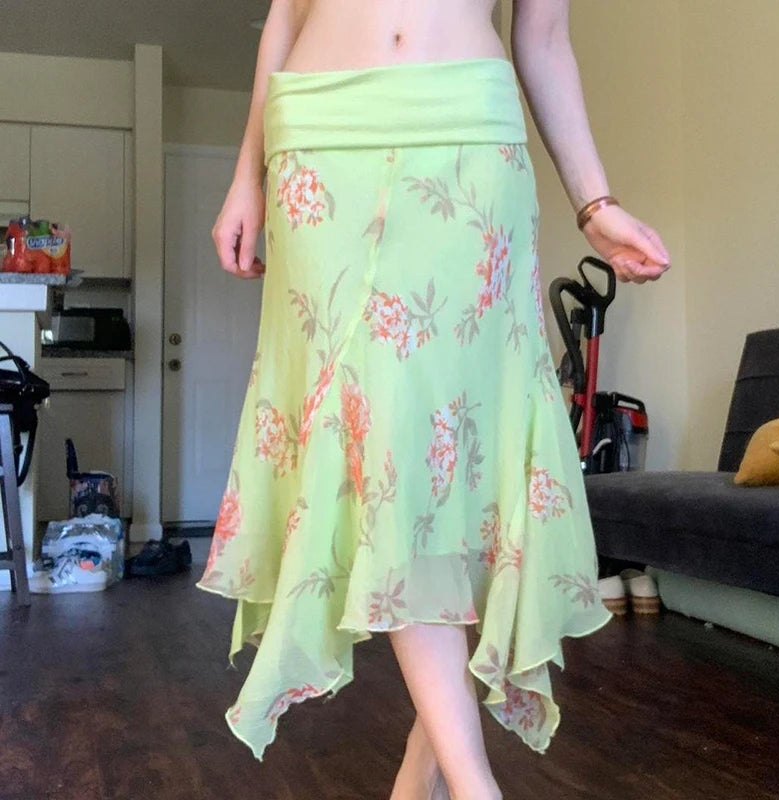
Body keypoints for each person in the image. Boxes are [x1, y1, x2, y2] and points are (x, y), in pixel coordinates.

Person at [200, 2, 671, 799]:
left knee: (463, 463)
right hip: (320, 134)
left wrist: (595, 203)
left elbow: (544, 36)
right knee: (385, 443)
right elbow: (285, 11)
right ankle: (472, 784)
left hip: (470, 130)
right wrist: (246, 174)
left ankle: (424, 777)